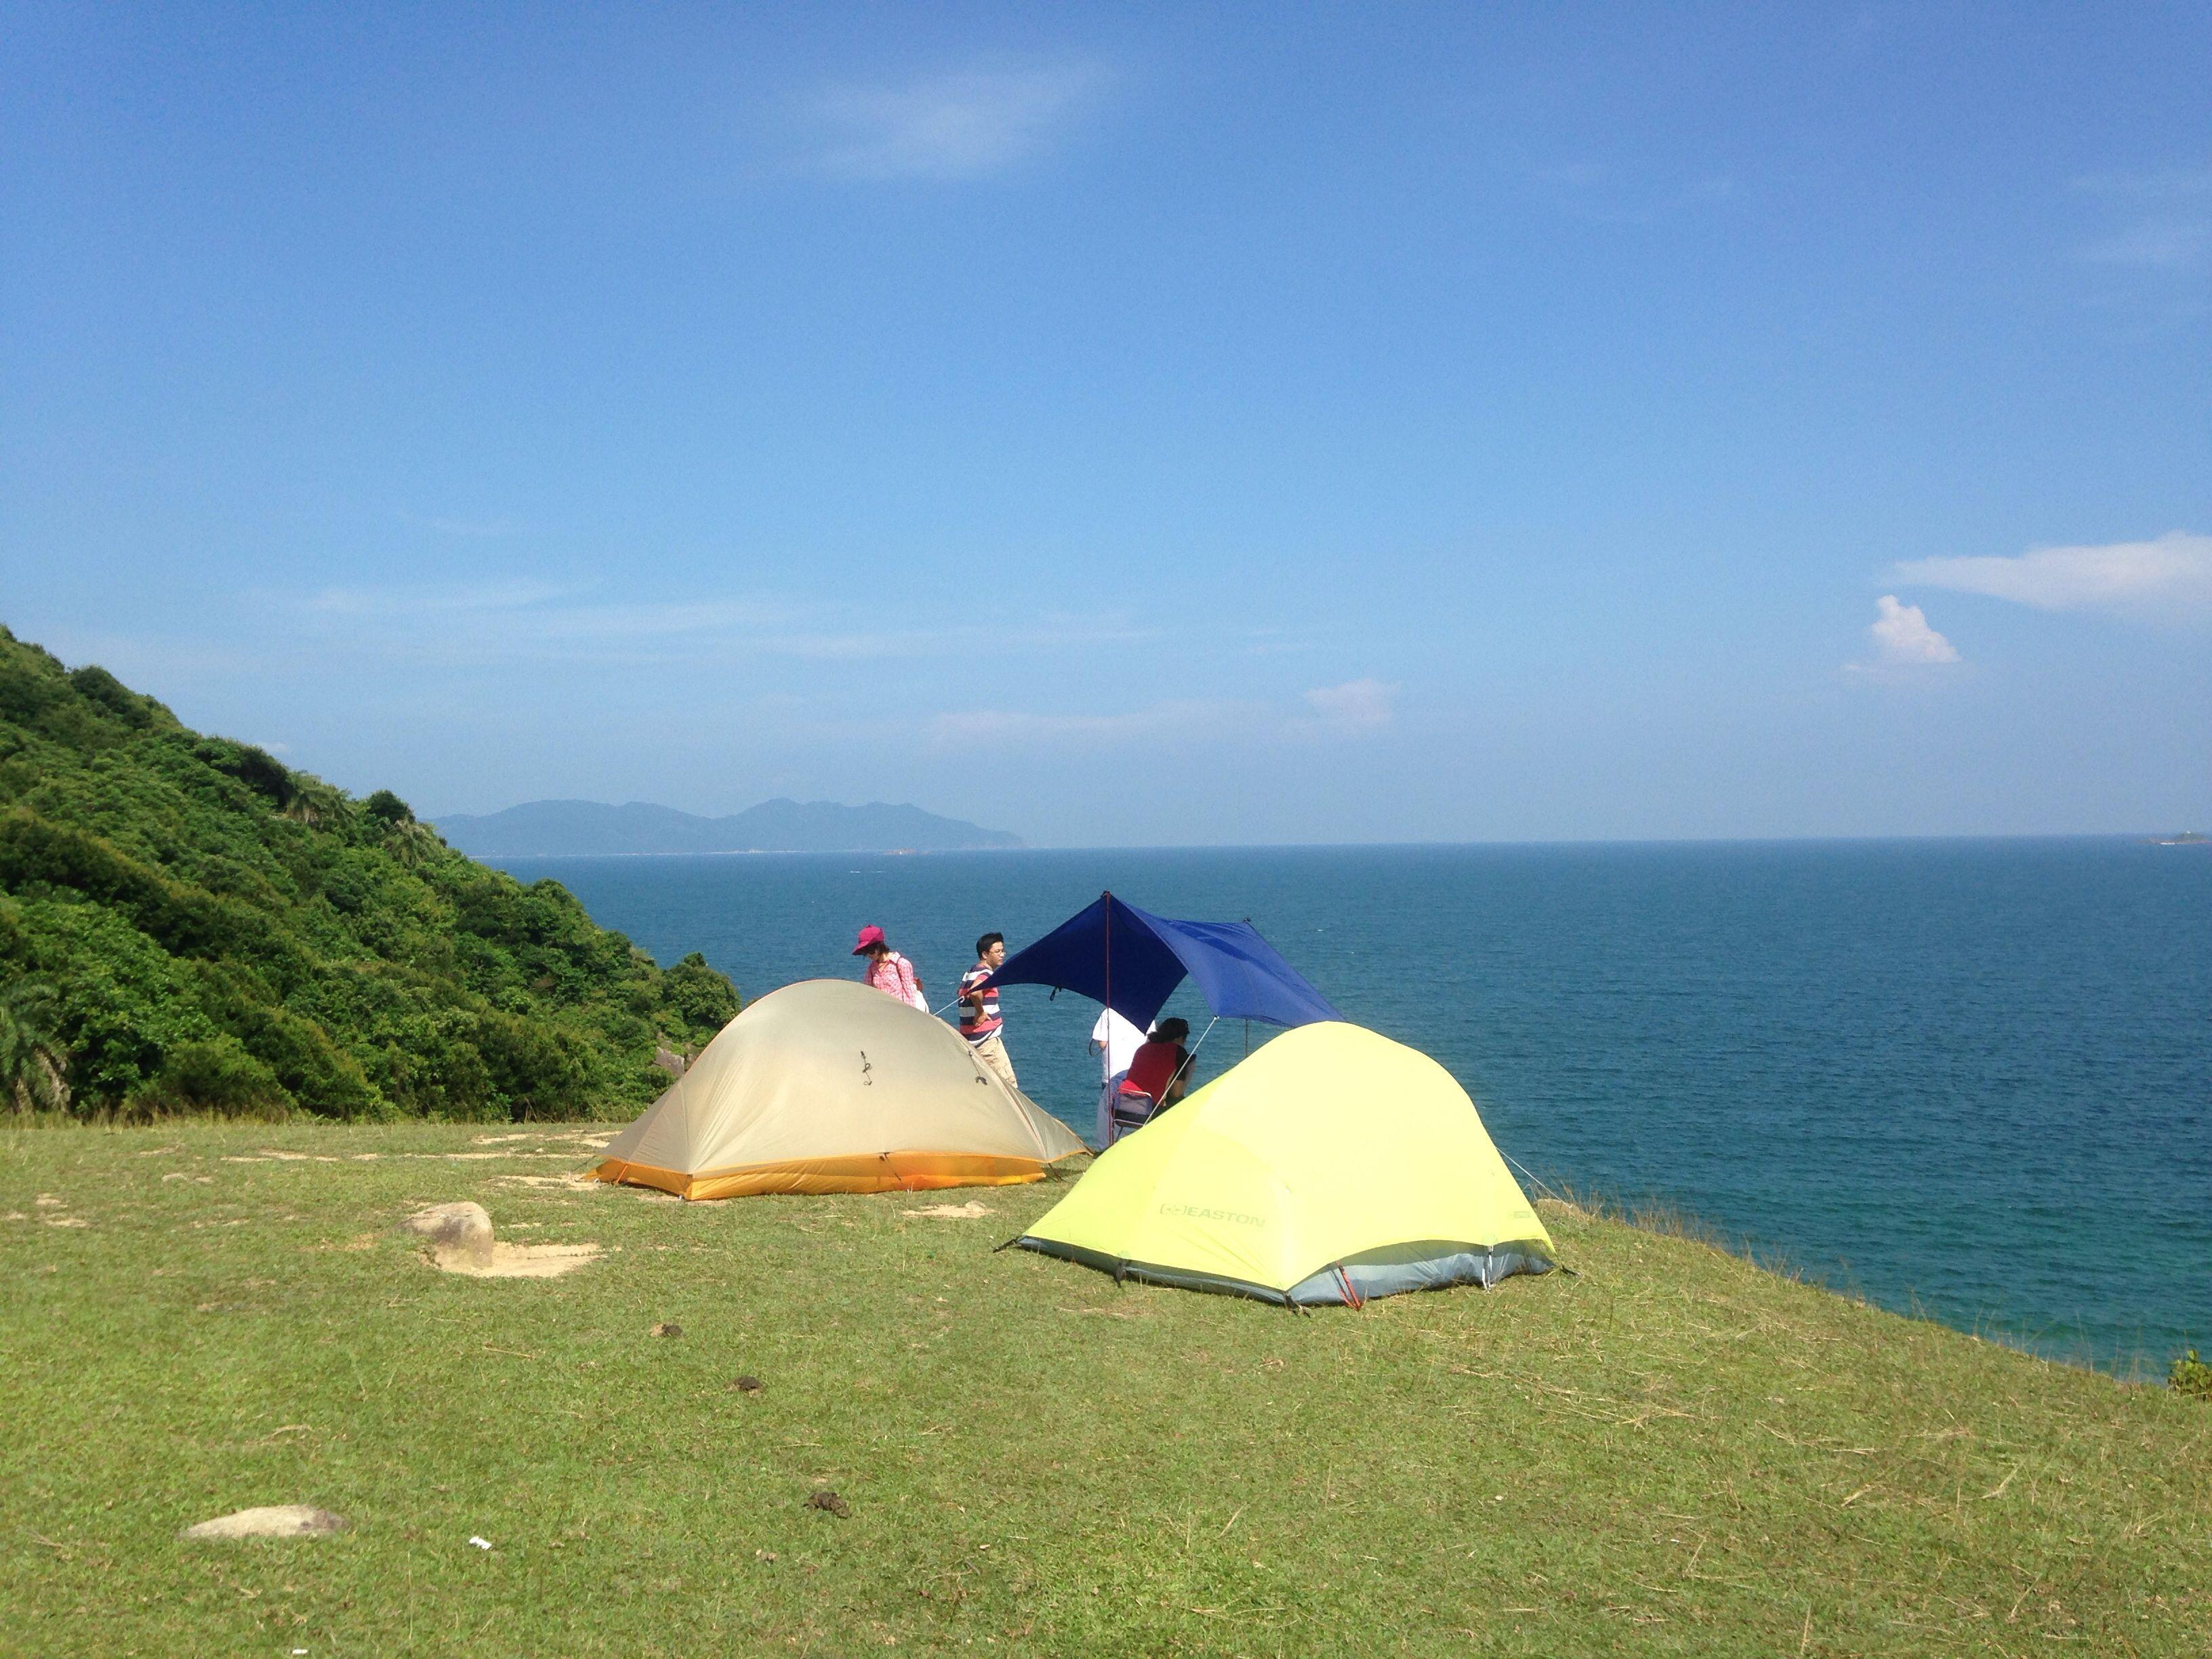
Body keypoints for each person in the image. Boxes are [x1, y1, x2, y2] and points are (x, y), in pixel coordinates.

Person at [1109, 1017, 1194, 1144]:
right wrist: (1189, 1072)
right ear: (1179, 1038)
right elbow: (1176, 1093)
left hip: (1121, 1107)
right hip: (1148, 1111)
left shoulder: (1143, 1048)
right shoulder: (1179, 1052)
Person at [958, 932, 1019, 1092]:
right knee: (1009, 1087)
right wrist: (981, 1012)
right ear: (985, 954)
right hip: (988, 1042)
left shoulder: (971, 972)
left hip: (970, 1041)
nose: (1002, 955)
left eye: (1002, 951)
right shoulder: (986, 973)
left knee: (985, 1088)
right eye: (997, 952)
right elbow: (975, 992)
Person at [1088, 1007, 1145, 1147]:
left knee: (1108, 1115)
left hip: (1112, 1074)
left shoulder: (1108, 1012)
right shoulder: (1146, 1013)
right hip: (1135, 1075)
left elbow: (1102, 1042)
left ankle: (1107, 1146)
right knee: (1133, 1116)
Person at [852, 925, 926, 1011]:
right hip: (881, 1014)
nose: (868, 955)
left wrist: (909, 1015)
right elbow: (867, 992)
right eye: (865, 952)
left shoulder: (901, 964)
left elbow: (909, 995)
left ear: (879, 947)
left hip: (899, 1013)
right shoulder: (872, 969)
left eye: (870, 951)